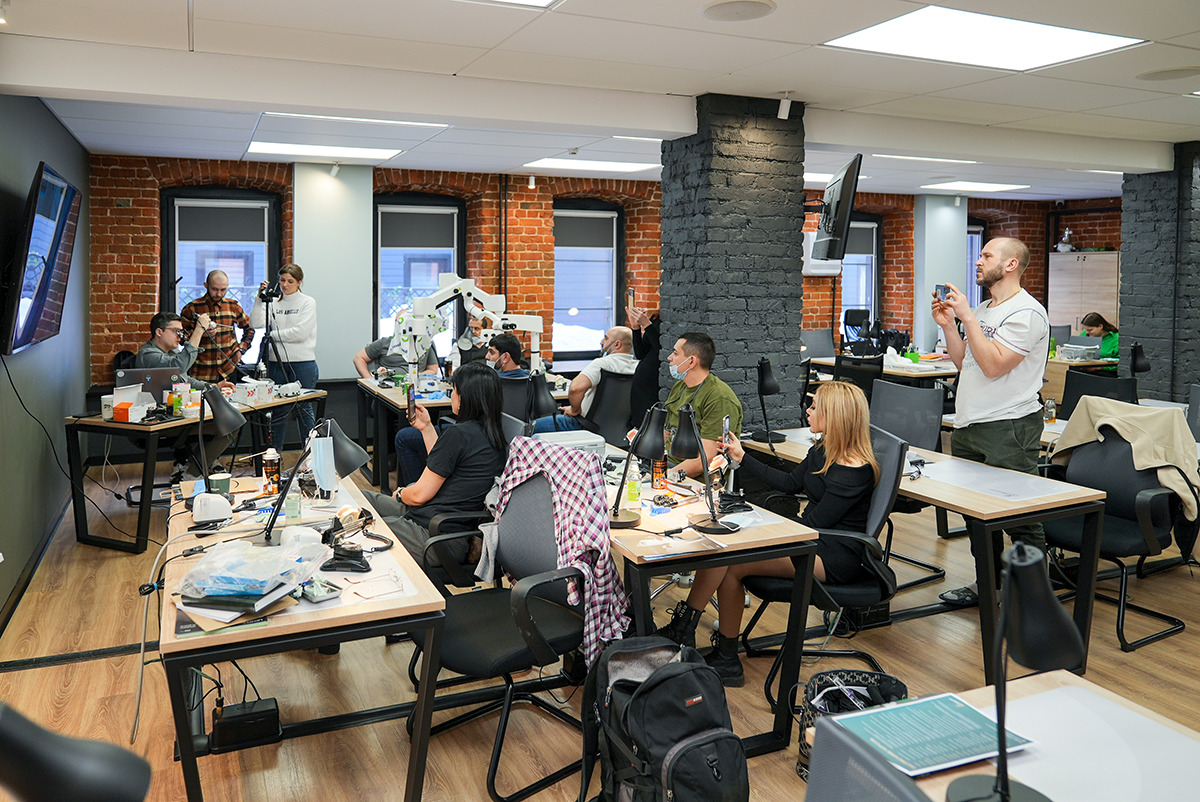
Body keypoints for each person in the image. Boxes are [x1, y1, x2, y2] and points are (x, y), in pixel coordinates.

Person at [655, 381, 880, 686]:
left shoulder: (854, 470)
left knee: (732, 559)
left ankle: (697, 637)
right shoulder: (823, 450)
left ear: (835, 416)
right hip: (811, 538)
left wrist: (761, 527)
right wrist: (742, 456)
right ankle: (708, 644)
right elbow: (789, 483)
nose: (808, 411)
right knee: (726, 553)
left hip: (834, 555)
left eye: (815, 407)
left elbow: (812, 524)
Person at [932, 236, 1050, 607]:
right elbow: (966, 363)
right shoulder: (984, 308)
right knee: (976, 515)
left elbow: (995, 366)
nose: (979, 261)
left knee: (1019, 515)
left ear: (1011, 264)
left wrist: (967, 317)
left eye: (987, 255)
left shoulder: (1026, 313)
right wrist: (949, 326)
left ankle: (1034, 598)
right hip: (970, 424)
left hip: (1008, 426)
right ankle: (990, 585)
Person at [363, 362, 509, 566]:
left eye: (454, 390)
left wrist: (402, 493)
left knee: (364, 524)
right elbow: (444, 465)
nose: (452, 395)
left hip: (434, 534)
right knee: (362, 501)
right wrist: (426, 427)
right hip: (442, 528)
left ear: (464, 397)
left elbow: (419, 495)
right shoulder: (494, 437)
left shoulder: (458, 434)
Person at [134, 311, 236, 479]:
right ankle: (192, 473)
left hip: (176, 416)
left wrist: (213, 386)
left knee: (230, 423)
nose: (180, 336)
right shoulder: (149, 355)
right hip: (158, 423)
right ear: (159, 332)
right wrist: (199, 330)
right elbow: (179, 366)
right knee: (229, 425)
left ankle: (191, 468)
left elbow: (186, 380)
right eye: (176, 331)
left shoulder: (170, 353)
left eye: (182, 332)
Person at [249, 264, 318, 448]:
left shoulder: (307, 302)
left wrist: (271, 335)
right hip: (276, 363)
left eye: (290, 281)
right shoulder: (273, 302)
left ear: (299, 282)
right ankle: (275, 454)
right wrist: (259, 298)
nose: (285, 285)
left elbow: (300, 333)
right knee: (279, 409)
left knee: (304, 409)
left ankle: (310, 453)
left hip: (303, 363)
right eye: (282, 280)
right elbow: (255, 323)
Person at [662, 332, 743, 478]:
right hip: (667, 465)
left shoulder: (719, 398)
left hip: (693, 480)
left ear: (691, 361)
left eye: (675, 353)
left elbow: (704, 460)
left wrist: (665, 477)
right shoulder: (680, 387)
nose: (669, 357)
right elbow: (666, 433)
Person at [531, 326, 637, 433]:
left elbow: (575, 388)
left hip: (583, 425)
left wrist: (574, 410)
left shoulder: (602, 364)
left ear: (617, 344)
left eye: (606, 338)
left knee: (529, 427)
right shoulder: (637, 368)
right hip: (619, 431)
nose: (602, 342)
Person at [179, 270, 256, 383]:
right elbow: (180, 337)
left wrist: (241, 350)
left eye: (223, 290)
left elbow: (250, 328)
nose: (219, 294)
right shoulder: (192, 308)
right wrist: (200, 333)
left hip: (229, 369)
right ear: (206, 285)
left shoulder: (233, 306)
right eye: (214, 289)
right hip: (202, 371)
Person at [352, 310, 439, 380]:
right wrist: (370, 380)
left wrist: (413, 378)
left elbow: (433, 370)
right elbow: (358, 358)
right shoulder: (384, 343)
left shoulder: (425, 344)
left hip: (416, 385)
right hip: (388, 385)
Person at [628, 306, 662, 427]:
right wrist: (636, 328)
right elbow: (640, 353)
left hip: (656, 381)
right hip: (641, 383)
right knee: (639, 423)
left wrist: (647, 325)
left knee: (651, 423)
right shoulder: (657, 317)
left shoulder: (672, 321)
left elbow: (662, 350)